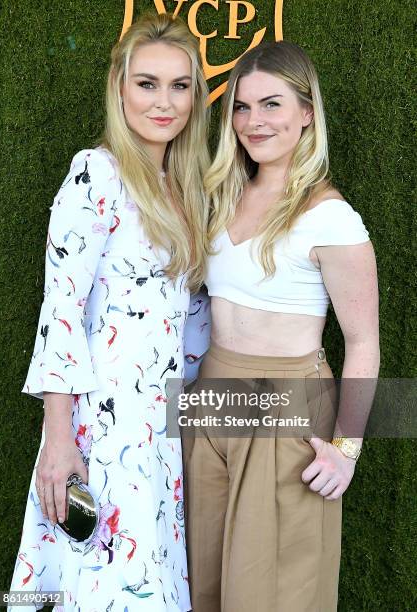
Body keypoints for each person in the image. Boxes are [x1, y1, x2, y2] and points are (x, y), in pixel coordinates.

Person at [9, 13, 209, 611]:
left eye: (179, 86)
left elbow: (194, 325)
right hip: (102, 428)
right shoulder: (96, 173)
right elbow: (61, 307)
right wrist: (58, 439)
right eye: (147, 84)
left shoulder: (189, 185)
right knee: (101, 582)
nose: (164, 103)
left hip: (164, 432)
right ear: (119, 87)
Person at [183, 41, 379, 611]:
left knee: (273, 591)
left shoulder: (331, 216)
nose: (253, 122)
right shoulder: (220, 196)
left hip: (288, 406)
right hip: (212, 400)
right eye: (241, 108)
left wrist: (346, 449)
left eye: (271, 105)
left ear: (306, 112)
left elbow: (363, 342)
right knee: (206, 582)